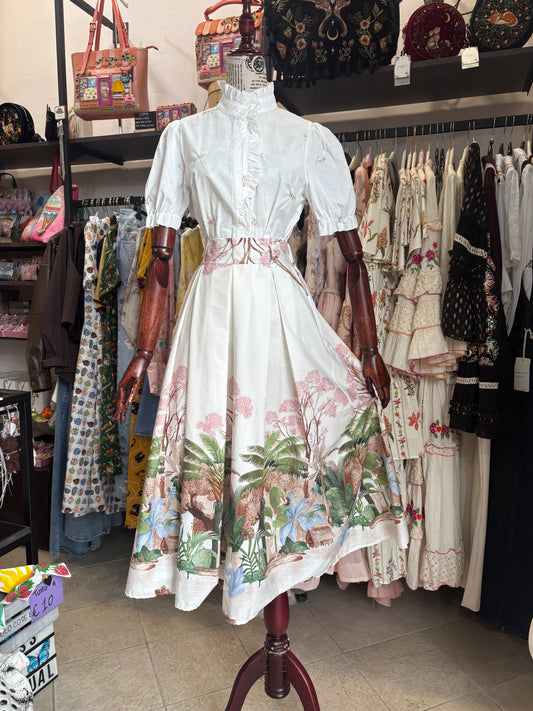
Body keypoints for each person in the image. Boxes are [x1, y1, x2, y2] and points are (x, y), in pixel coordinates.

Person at [116, 4, 407, 625]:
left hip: (280, 310)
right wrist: (143, 351)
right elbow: (160, 259)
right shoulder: (183, 138)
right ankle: (234, 568)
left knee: (288, 434)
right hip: (213, 312)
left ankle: (277, 561)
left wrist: (371, 350)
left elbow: (354, 256)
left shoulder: (309, 140)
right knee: (215, 438)